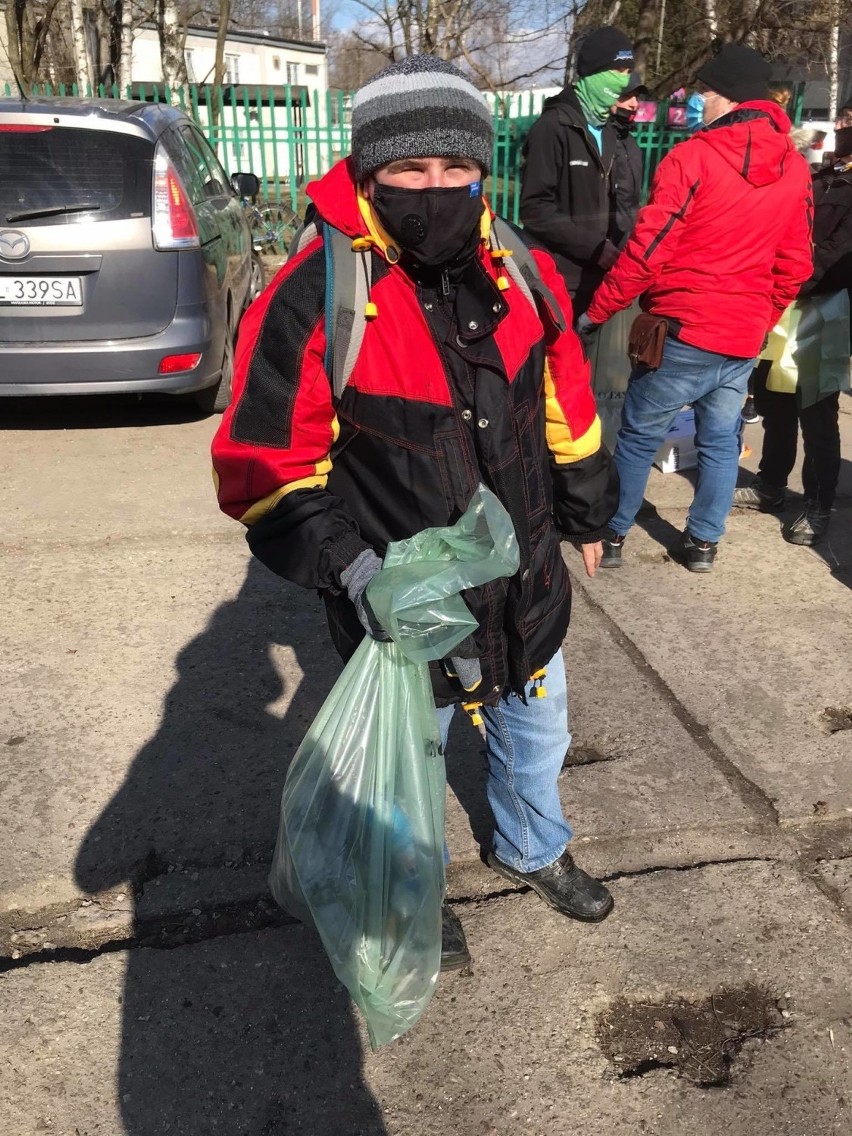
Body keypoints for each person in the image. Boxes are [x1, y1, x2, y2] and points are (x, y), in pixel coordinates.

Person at [211, 55, 620, 970]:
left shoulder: (525, 269)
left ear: (482, 169)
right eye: (408, 169)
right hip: (401, 609)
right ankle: (410, 888)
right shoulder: (314, 294)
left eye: (455, 168)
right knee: (409, 768)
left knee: (536, 730)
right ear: (368, 170)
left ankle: (533, 846)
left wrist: (587, 519)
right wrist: (358, 574)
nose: (435, 188)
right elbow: (264, 468)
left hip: (528, 584)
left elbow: (569, 404)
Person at [577, 43, 814, 572]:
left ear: (727, 97)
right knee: (721, 441)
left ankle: (613, 535)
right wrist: (760, 318)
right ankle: (704, 544)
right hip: (741, 336)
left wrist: (599, 310)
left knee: (639, 436)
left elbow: (648, 248)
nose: (698, 101)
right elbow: (795, 265)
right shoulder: (795, 169)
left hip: (684, 330)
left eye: (705, 91)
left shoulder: (693, 158)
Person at [733, 115, 852, 545]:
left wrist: (789, 271)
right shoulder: (823, 173)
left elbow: (837, 252)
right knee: (772, 399)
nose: (842, 125)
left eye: (851, 119)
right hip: (783, 302)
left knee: (817, 412)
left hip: (824, 309)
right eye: (845, 117)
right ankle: (771, 484)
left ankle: (819, 504)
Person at [519, 26, 635, 314]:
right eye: (618, 69)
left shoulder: (608, 130)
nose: (625, 79)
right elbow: (535, 208)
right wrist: (593, 247)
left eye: (628, 71)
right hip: (559, 280)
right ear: (595, 71)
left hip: (600, 280)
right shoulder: (553, 126)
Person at [610, 72, 646, 248]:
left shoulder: (631, 142)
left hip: (627, 239)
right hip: (601, 243)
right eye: (626, 96)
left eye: (637, 97)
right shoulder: (598, 139)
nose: (634, 104)